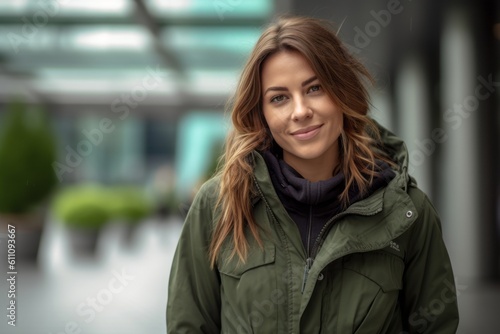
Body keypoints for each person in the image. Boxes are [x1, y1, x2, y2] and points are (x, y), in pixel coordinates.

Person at [166, 16, 459, 333]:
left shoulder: (406, 212)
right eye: (279, 98)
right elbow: (189, 325)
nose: (301, 111)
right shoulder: (218, 205)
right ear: (261, 113)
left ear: (341, 92)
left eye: (315, 88)